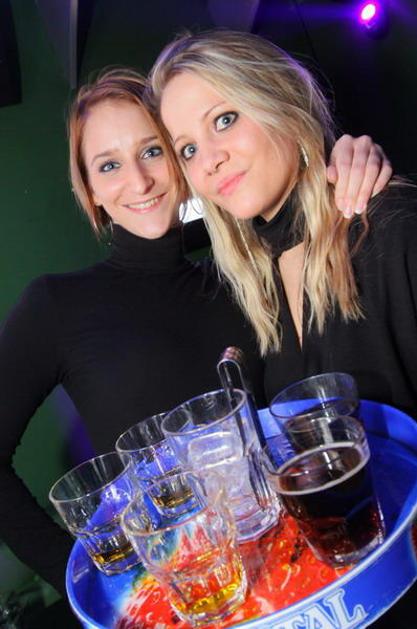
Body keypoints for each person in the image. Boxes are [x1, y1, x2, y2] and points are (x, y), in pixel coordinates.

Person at [0, 66, 390, 598]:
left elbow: (309, 213)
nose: (139, 181)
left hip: (309, 570)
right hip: (193, 597)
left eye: (152, 151)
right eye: (109, 164)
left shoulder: (247, 272)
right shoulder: (55, 305)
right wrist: (89, 591)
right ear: (88, 190)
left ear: (181, 161)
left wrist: (349, 159)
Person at [151, 29, 417, 419]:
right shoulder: (256, 281)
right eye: (188, 149)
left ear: (281, 101)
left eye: (224, 119)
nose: (208, 161)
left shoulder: (394, 227)